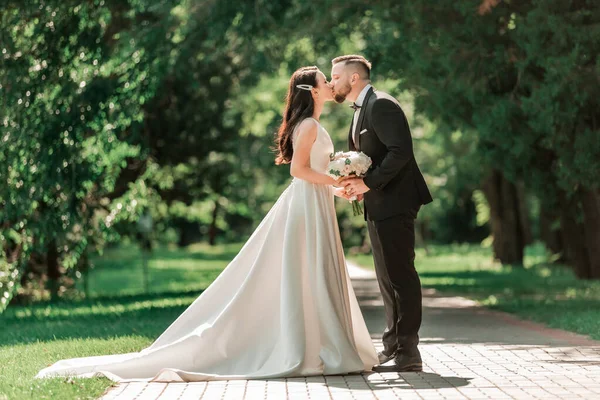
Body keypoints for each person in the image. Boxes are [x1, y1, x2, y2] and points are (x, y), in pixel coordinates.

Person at [35, 66, 378, 382]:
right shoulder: (307, 126)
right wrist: (333, 180)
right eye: (324, 78)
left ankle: (323, 342)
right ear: (312, 90)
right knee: (306, 271)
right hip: (305, 207)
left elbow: (313, 173)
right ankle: (313, 347)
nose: (329, 82)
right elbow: (298, 172)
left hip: (314, 202)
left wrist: (339, 187)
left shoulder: (313, 125)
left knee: (312, 272)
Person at [330, 55, 433, 372]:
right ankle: (392, 345)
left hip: (396, 202)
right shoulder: (363, 109)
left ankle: (408, 353)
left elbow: (401, 151)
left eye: (335, 77)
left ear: (354, 78)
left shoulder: (382, 104)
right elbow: (369, 155)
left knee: (401, 276)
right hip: (379, 205)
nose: (332, 82)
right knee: (387, 279)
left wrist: (367, 183)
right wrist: (354, 183)